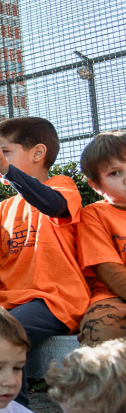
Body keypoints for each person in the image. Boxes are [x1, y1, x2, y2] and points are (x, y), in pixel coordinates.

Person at [0, 117, 88, 405]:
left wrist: (9, 172)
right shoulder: (3, 207)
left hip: (54, 300)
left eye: (5, 152)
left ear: (37, 153)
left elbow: (54, 205)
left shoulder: (61, 185)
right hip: (7, 303)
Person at [76, 130, 126, 345]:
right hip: (113, 297)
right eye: (115, 173)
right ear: (96, 185)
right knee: (100, 328)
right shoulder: (94, 215)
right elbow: (108, 270)